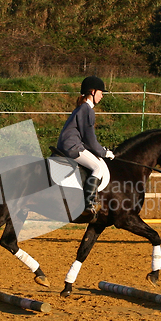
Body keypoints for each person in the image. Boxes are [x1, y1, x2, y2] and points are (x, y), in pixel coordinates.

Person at [56, 75, 115, 217]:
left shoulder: (82, 108)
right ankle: (87, 205)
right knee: (98, 167)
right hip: (72, 147)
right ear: (93, 92)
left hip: (70, 144)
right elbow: (89, 139)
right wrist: (104, 153)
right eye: (101, 93)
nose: (102, 96)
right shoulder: (87, 109)